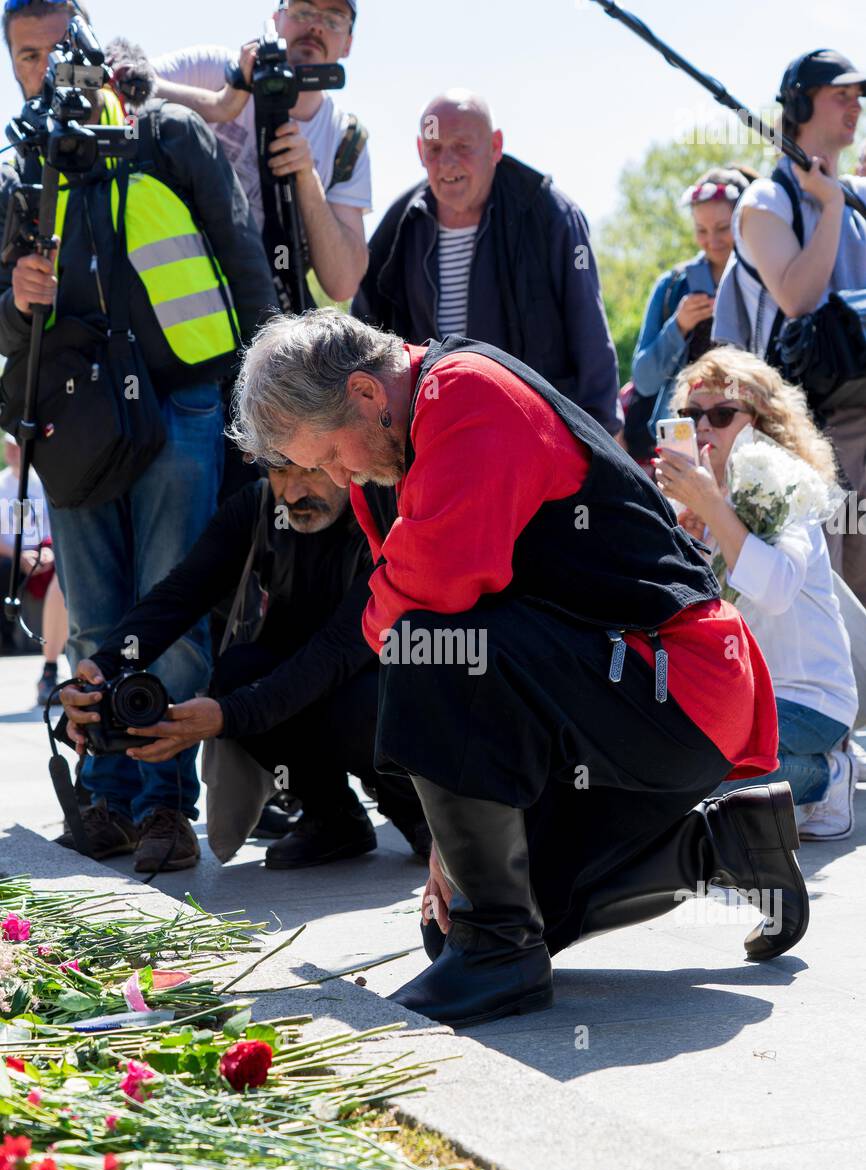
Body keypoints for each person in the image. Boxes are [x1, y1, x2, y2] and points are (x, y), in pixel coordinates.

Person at [229, 308, 809, 1029]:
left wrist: (458, 836)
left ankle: (500, 955)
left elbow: (428, 595)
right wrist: (450, 837)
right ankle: (720, 846)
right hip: (615, 687)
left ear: (366, 392)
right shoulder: (392, 441)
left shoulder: (467, 394)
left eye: (328, 454)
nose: (336, 477)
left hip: (680, 684)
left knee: (427, 642)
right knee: (455, 926)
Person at [0, 0, 275, 873]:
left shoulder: (164, 135)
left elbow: (241, 256)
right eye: (23, 54)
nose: (40, 67)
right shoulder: (16, 175)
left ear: (85, 46)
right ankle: (108, 799)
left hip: (184, 406)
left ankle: (165, 810)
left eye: (53, 48)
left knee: (174, 610)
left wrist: (272, 404)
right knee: (96, 620)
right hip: (73, 425)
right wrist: (16, 299)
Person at [57, 460, 429, 868]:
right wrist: (105, 664)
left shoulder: (389, 512)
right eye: (279, 471)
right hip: (305, 682)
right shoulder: (258, 506)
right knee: (237, 672)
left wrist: (226, 716)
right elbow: (182, 594)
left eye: (309, 471)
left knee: (365, 703)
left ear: (345, 455)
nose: (292, 493)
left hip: (383, 686)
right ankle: (334, 816)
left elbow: (337, 650)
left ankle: (418, 812)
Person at [656, 346, 859, 839]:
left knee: (701, 792)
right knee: (661, 772)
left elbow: (775, 592)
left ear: (761, 423)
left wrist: (713, 509)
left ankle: (830, 778)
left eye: (722, 414)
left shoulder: (786, 485)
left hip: (808, 698)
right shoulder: (691, 504)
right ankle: (809, 770)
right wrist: (682, 535)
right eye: (691, 415)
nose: (703, 426)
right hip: (737, 698)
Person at [352, 89, 622, 434]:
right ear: (420, 151)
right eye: (435, 149)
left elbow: (590, 335)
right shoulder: (399, 229)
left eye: (462, 146)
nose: (448, 162)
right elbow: (364, 338)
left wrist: (601, 440)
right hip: (434, 437)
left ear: (495, 146)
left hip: (534, 436)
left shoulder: (549, 214)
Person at [713, 49, 866, 608]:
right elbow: (799, 298)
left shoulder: (858, 198)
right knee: (819, 601)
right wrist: (828, 207)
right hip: (798, 435)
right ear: (801, 103)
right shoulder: (765, 202)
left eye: (858, 98)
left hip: (861, 419)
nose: (854, 108)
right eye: (839, 96)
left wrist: (840, 197)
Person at [151, 0, 370, 309]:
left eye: (334, 18)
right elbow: (118, 87)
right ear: (275, 20)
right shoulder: (214, 70)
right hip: (168, 294)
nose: (316, 26)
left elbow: (342, 283)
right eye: (303, 11)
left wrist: (307, 179)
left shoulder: (345, 139)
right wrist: (219, 104)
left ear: (347, 44)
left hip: (258, 313)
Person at [628, 167, 753, 461]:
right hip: (682, 440)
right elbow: (643, 380)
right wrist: (679, 327)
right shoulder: (672, 286)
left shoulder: (764, 284)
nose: (713, 240)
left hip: (749, 440)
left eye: (723, 228)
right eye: (701, 230)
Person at [0, 434, 67, 702]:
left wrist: (46, 552)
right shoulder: (2, 484)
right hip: (10, 556)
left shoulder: (45, 483)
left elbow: (58, 529)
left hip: (47, 554)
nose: (14, 452)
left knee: (64, 577)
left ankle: (53, 665)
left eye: (19, 447)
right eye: (10, 448)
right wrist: (21, 556)